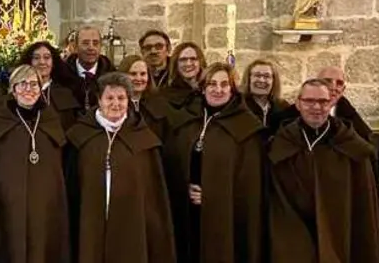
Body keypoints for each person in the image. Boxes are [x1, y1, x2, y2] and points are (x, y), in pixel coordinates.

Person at [268, 79, 379, 263]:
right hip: (292, 229)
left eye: (323, 101)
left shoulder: (351, 146)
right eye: (309, 101)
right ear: (298, 104)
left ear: (331, 103)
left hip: (339, 228)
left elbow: (363, 208)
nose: (316, 107)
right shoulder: (281, 143)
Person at [65, 72, 177, 263]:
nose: (115, 104)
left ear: (129, 100)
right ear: (99, 100)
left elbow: (153, 195)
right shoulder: (80, 135)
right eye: (109, 98)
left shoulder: (143, 138)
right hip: (90, 218)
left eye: (121, 98)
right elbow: (71, 185)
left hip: (130, 221)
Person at [163, 63, 264, 263]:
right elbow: (171, 165)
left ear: (232, 89)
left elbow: (249, 185)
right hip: (186, 212)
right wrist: (184, 186)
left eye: (224, 84)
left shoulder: (246, 127)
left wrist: (212, 195)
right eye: (212, 84)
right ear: (203, 87)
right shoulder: (187, 118)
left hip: (224, 216)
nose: (218, 90)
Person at [0, 65, 70, 263]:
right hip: (8, 203)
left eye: (34, 84)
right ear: (13, 90)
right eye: (22, 84)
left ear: (41, 89)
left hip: (45, 204)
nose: (28, 89)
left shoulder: (50, 120)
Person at [19, 41, 80, 130]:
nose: (42, 62)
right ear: (29, 62)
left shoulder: (65, 93)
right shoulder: (19, 92)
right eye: (36, 58)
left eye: (47, 57)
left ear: (53, 62)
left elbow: (71, 128)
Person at [117, 54, 170, 140]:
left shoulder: (159, 104)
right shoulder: (115, 105)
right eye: (133, 74)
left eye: (143, 74)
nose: (139, 78)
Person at [65, 25, 115, 112]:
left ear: (100, 47)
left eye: (95, 43)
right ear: (75, 47)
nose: (91, 48)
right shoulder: (62, 75)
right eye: (85, 43)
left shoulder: (111, 75)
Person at [240, 59, 291, 135]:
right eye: (257, 75)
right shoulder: (239, 105)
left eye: (267, 76)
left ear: (274, 81)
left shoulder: (283, 107)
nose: (262, 80)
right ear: (248, 79)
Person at [160, 42, 206, 113]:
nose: (188, 64)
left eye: (193, 59)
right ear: (176, 64)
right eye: (183, 59)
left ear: (200, 62)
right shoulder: (165, 96)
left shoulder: (210, 92)